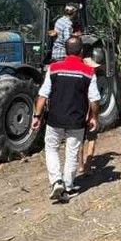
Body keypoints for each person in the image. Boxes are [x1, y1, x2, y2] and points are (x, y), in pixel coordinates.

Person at [32, 36, 99, 201]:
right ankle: (68, 187)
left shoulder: (54, 68)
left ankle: (56, 182)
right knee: (72, 152)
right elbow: (94, 99)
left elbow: (42, 95)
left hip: (55, 119)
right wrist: (93, 117)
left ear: (66, 51)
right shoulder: (89, 72)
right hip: (76, 121)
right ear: (81, 52)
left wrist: (37, 116)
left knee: (51, 148)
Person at [79, 43, 102, 173]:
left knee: (80, 139)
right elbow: (94, 98)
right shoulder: (91, 75)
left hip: (79, 110)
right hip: (90, 109)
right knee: (92, 138)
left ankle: (81, 166)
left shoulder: (78, 73)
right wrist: (94, 115)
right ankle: (88, 166)